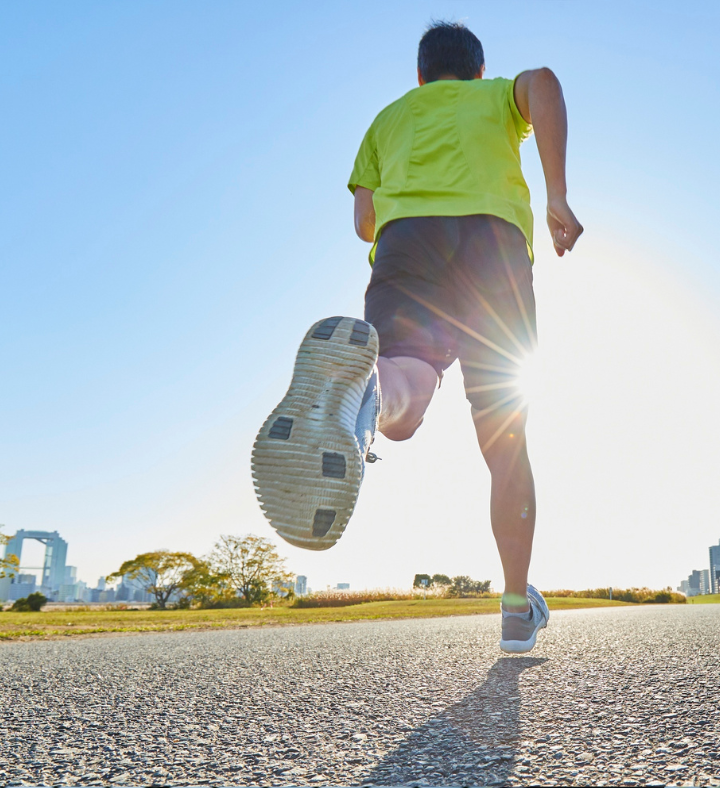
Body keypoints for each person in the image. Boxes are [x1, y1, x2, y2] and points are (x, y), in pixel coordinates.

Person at [251, 21, 582, 653]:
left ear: (421, 77)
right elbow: (543, 82)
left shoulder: (388, 118)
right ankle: (517, 606)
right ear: (478, 73)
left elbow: (363, 220)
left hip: (407, 246)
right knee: (505, 440)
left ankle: (367, 389)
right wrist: (557, 192)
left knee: (403, 402)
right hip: (494, 249)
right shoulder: (495, 98)